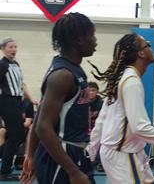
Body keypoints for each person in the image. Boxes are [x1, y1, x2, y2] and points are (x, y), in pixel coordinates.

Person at [86, 33, 154, 184]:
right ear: (141, 53)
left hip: (125, 153)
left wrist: (91, 152)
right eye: (147, 45)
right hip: (122, 155)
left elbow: (102, 119)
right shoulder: (131, 82)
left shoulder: (123, 78)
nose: (151, 47)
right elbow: (140, 128)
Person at [19, 13, 97, 184]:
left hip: (74, 153)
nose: (95, 40)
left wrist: (31, 155)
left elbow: (40, 115)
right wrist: (73, 171)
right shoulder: (62, 75)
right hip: (62, 156)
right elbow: (43, 126)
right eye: (91, 35)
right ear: (78, 40)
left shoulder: (73, 69)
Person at [0, 38, 37, 180]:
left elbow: (22, 84)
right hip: (6, 101)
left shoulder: (15, 64)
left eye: (15, 47)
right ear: (3, 49)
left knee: (19, 135)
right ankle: (4, 171)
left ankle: (5, 167)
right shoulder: (2, 65)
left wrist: (30, 98)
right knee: (17, 135)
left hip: (16, 101)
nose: (14, 49)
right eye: (10, 47)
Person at [87, 82, 103, 172]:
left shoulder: (101, 104)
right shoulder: (82, 103)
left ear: (97, 92)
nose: (91, 93)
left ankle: (99, 162)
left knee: (102, 138)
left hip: (98, 129)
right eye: (89, 91)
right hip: (85, 129)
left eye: (93, 90)